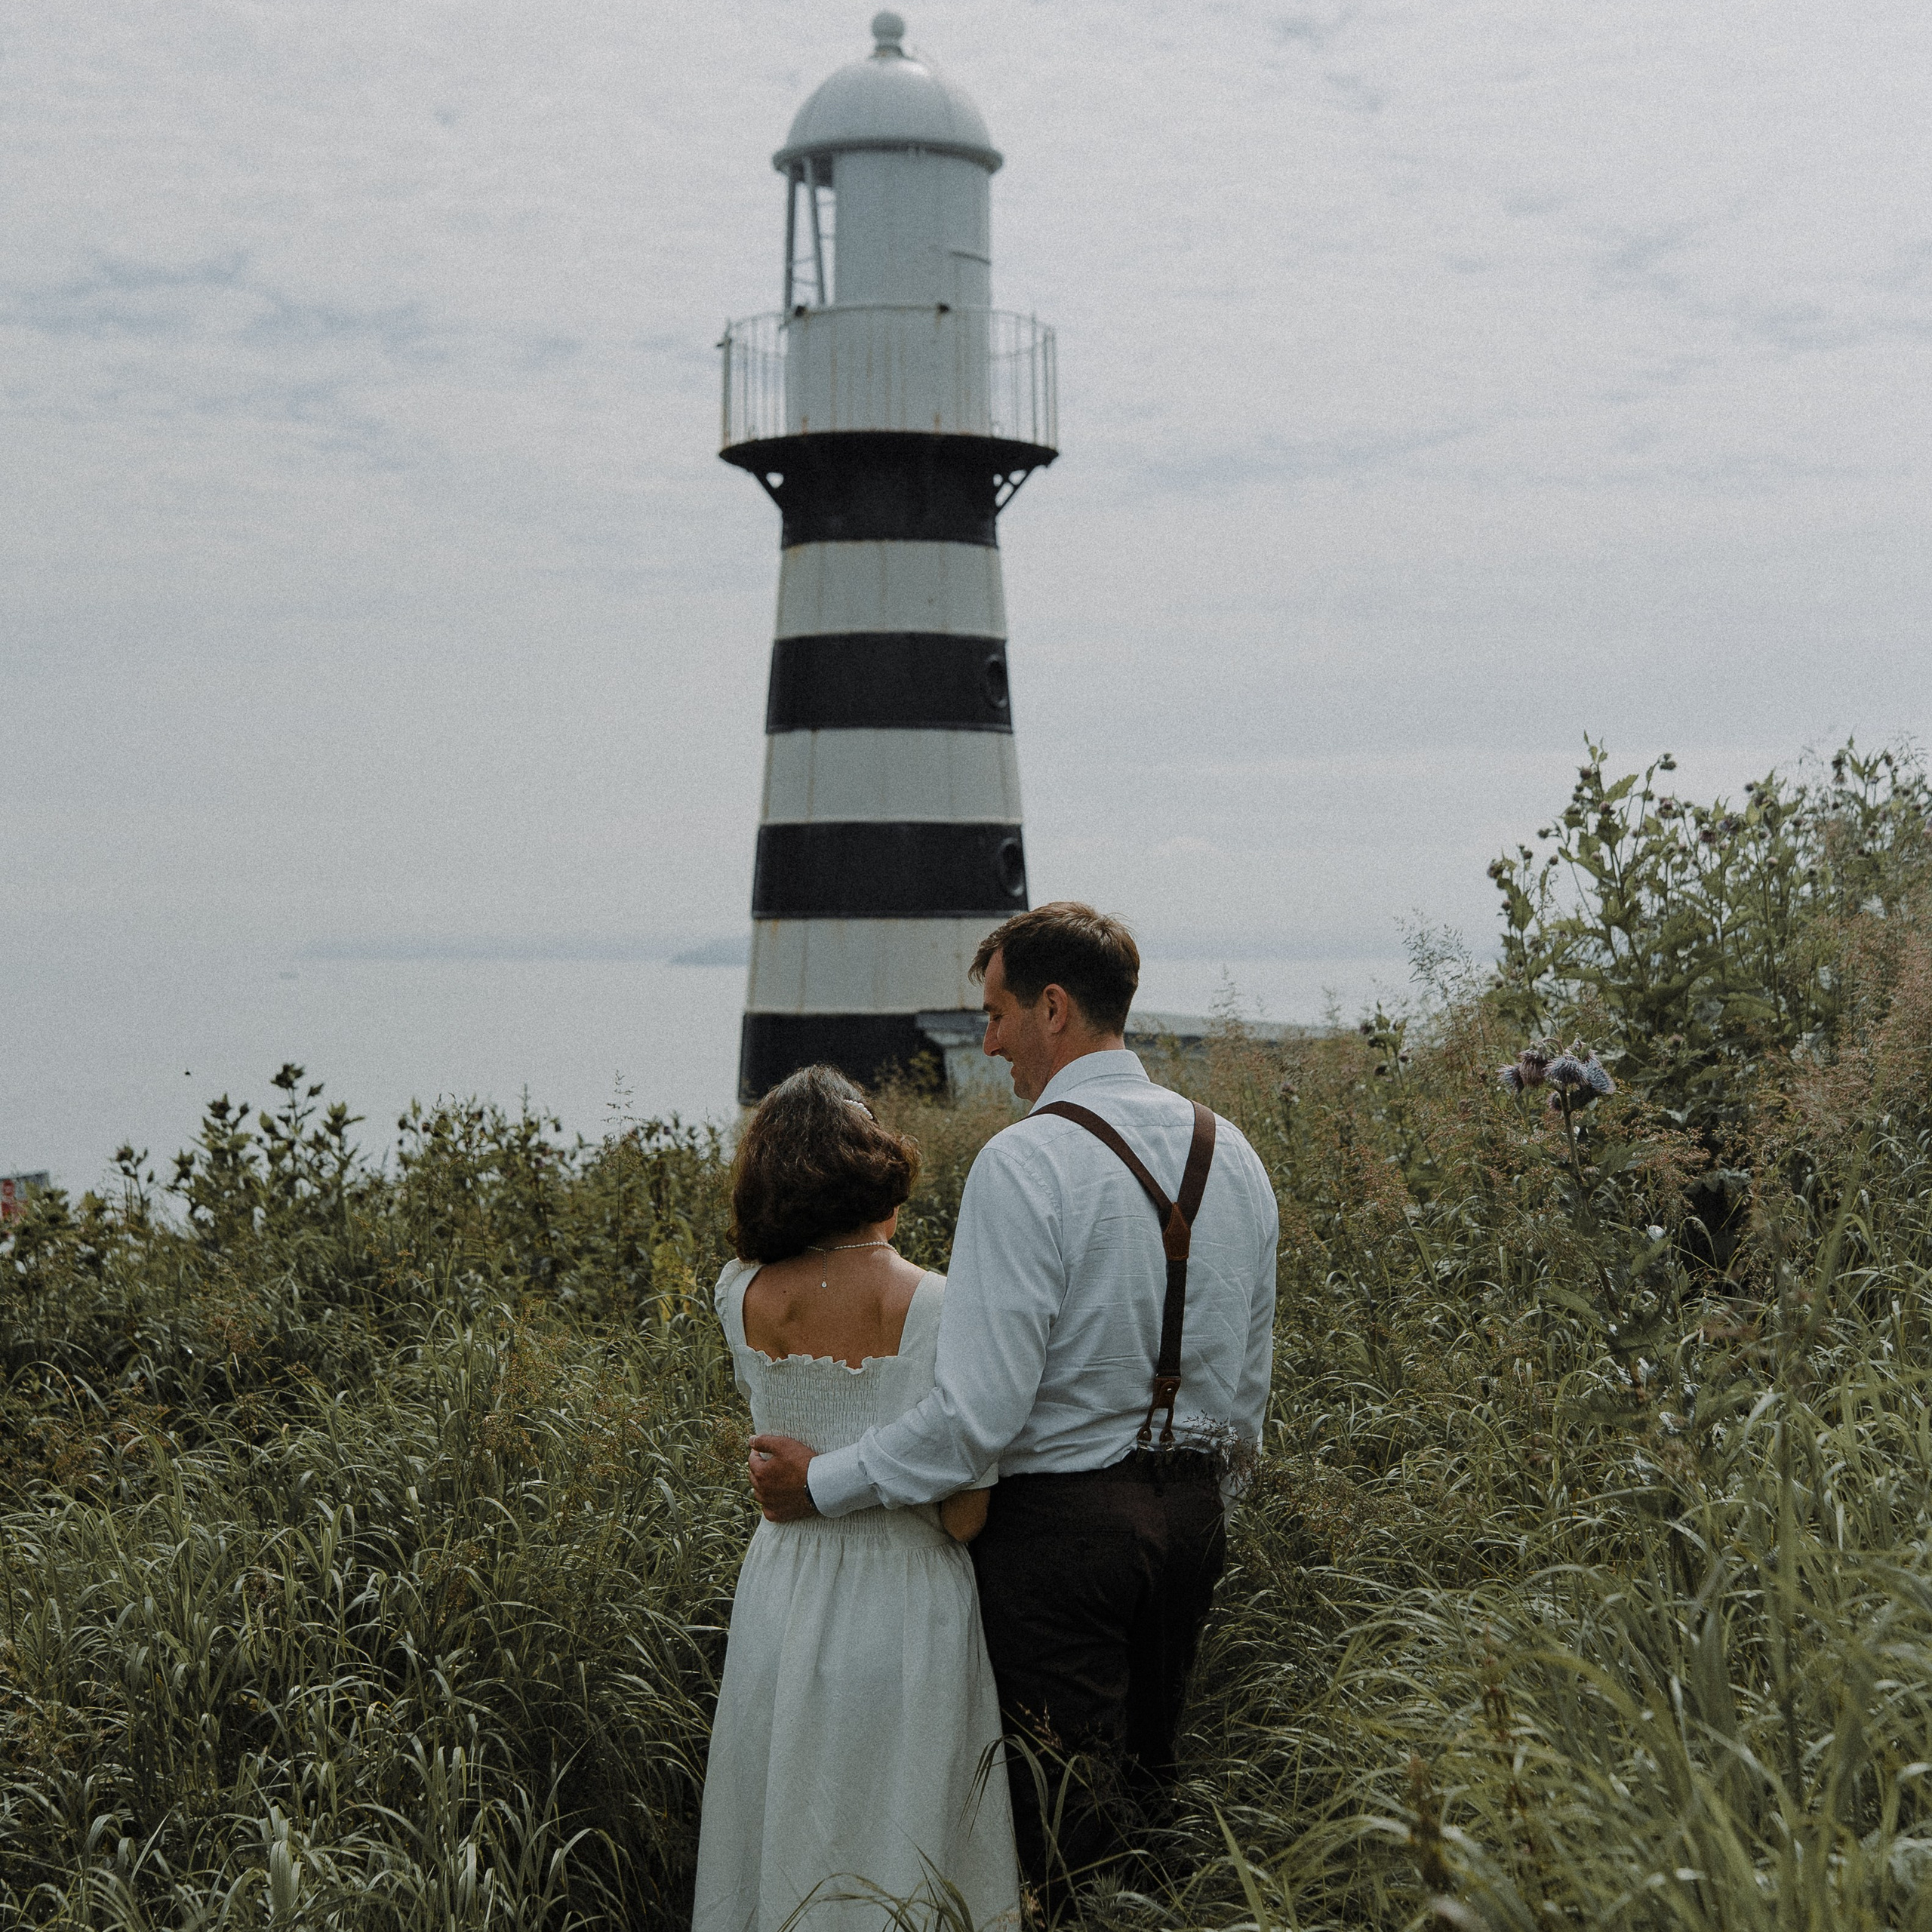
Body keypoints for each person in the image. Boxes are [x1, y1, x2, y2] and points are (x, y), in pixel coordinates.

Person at [750, 903, 1280, 1912]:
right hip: (1194, 1518)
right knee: (1153, 1801)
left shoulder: (1026, 1161)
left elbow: (974, 1421)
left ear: (1053, 1006)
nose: (984, 1042)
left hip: (1063, 1537)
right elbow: (1247, 1382)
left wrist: (818, 1482)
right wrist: (1208, 1513)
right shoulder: (1236, 1153)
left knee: (1060, 1838)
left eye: (994, 1015)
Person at [693, 1066, 1022, 1932]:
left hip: (785, 1589)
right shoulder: (939, 1306)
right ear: (874, 1164)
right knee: (906, 1834)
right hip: (907, 1601)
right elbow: (964, 1514)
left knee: (788, 1818)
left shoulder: (740, 1295)